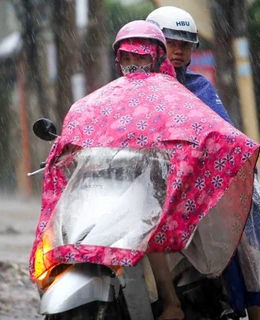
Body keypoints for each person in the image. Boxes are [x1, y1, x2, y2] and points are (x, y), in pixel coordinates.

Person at [147, 6, 260, 320]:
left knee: (238, 235)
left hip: (196, 187)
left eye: (185, 44)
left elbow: (225, 135)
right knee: (145, 228)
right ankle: (169, 302)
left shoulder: (199, 88)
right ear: (152, 47)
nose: (177, 51)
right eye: (170, 43)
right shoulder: (137, 91)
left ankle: (248, 312)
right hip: (151, 185)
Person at [112, 20, 183, 320]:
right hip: (117, 188)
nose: (133, 64)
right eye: (126, 57)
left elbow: (186, 136)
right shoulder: (109, 97)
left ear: (155, 58)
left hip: (160, 189)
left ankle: (172, 303)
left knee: (148, 227)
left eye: (140, 57)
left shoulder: (174, 96)